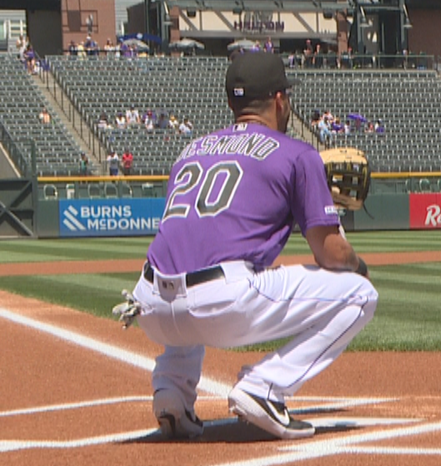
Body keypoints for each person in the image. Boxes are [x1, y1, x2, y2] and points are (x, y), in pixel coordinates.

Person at [125, 52, 377, 440]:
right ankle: (265, 389)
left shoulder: (189, 151)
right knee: (360, 294)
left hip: (149, 303)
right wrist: (358, 263)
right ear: (279, 100)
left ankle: (172, 392)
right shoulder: (296, 153)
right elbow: (329, 253)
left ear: (231, 104)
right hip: (220, 302)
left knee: (189, 267)